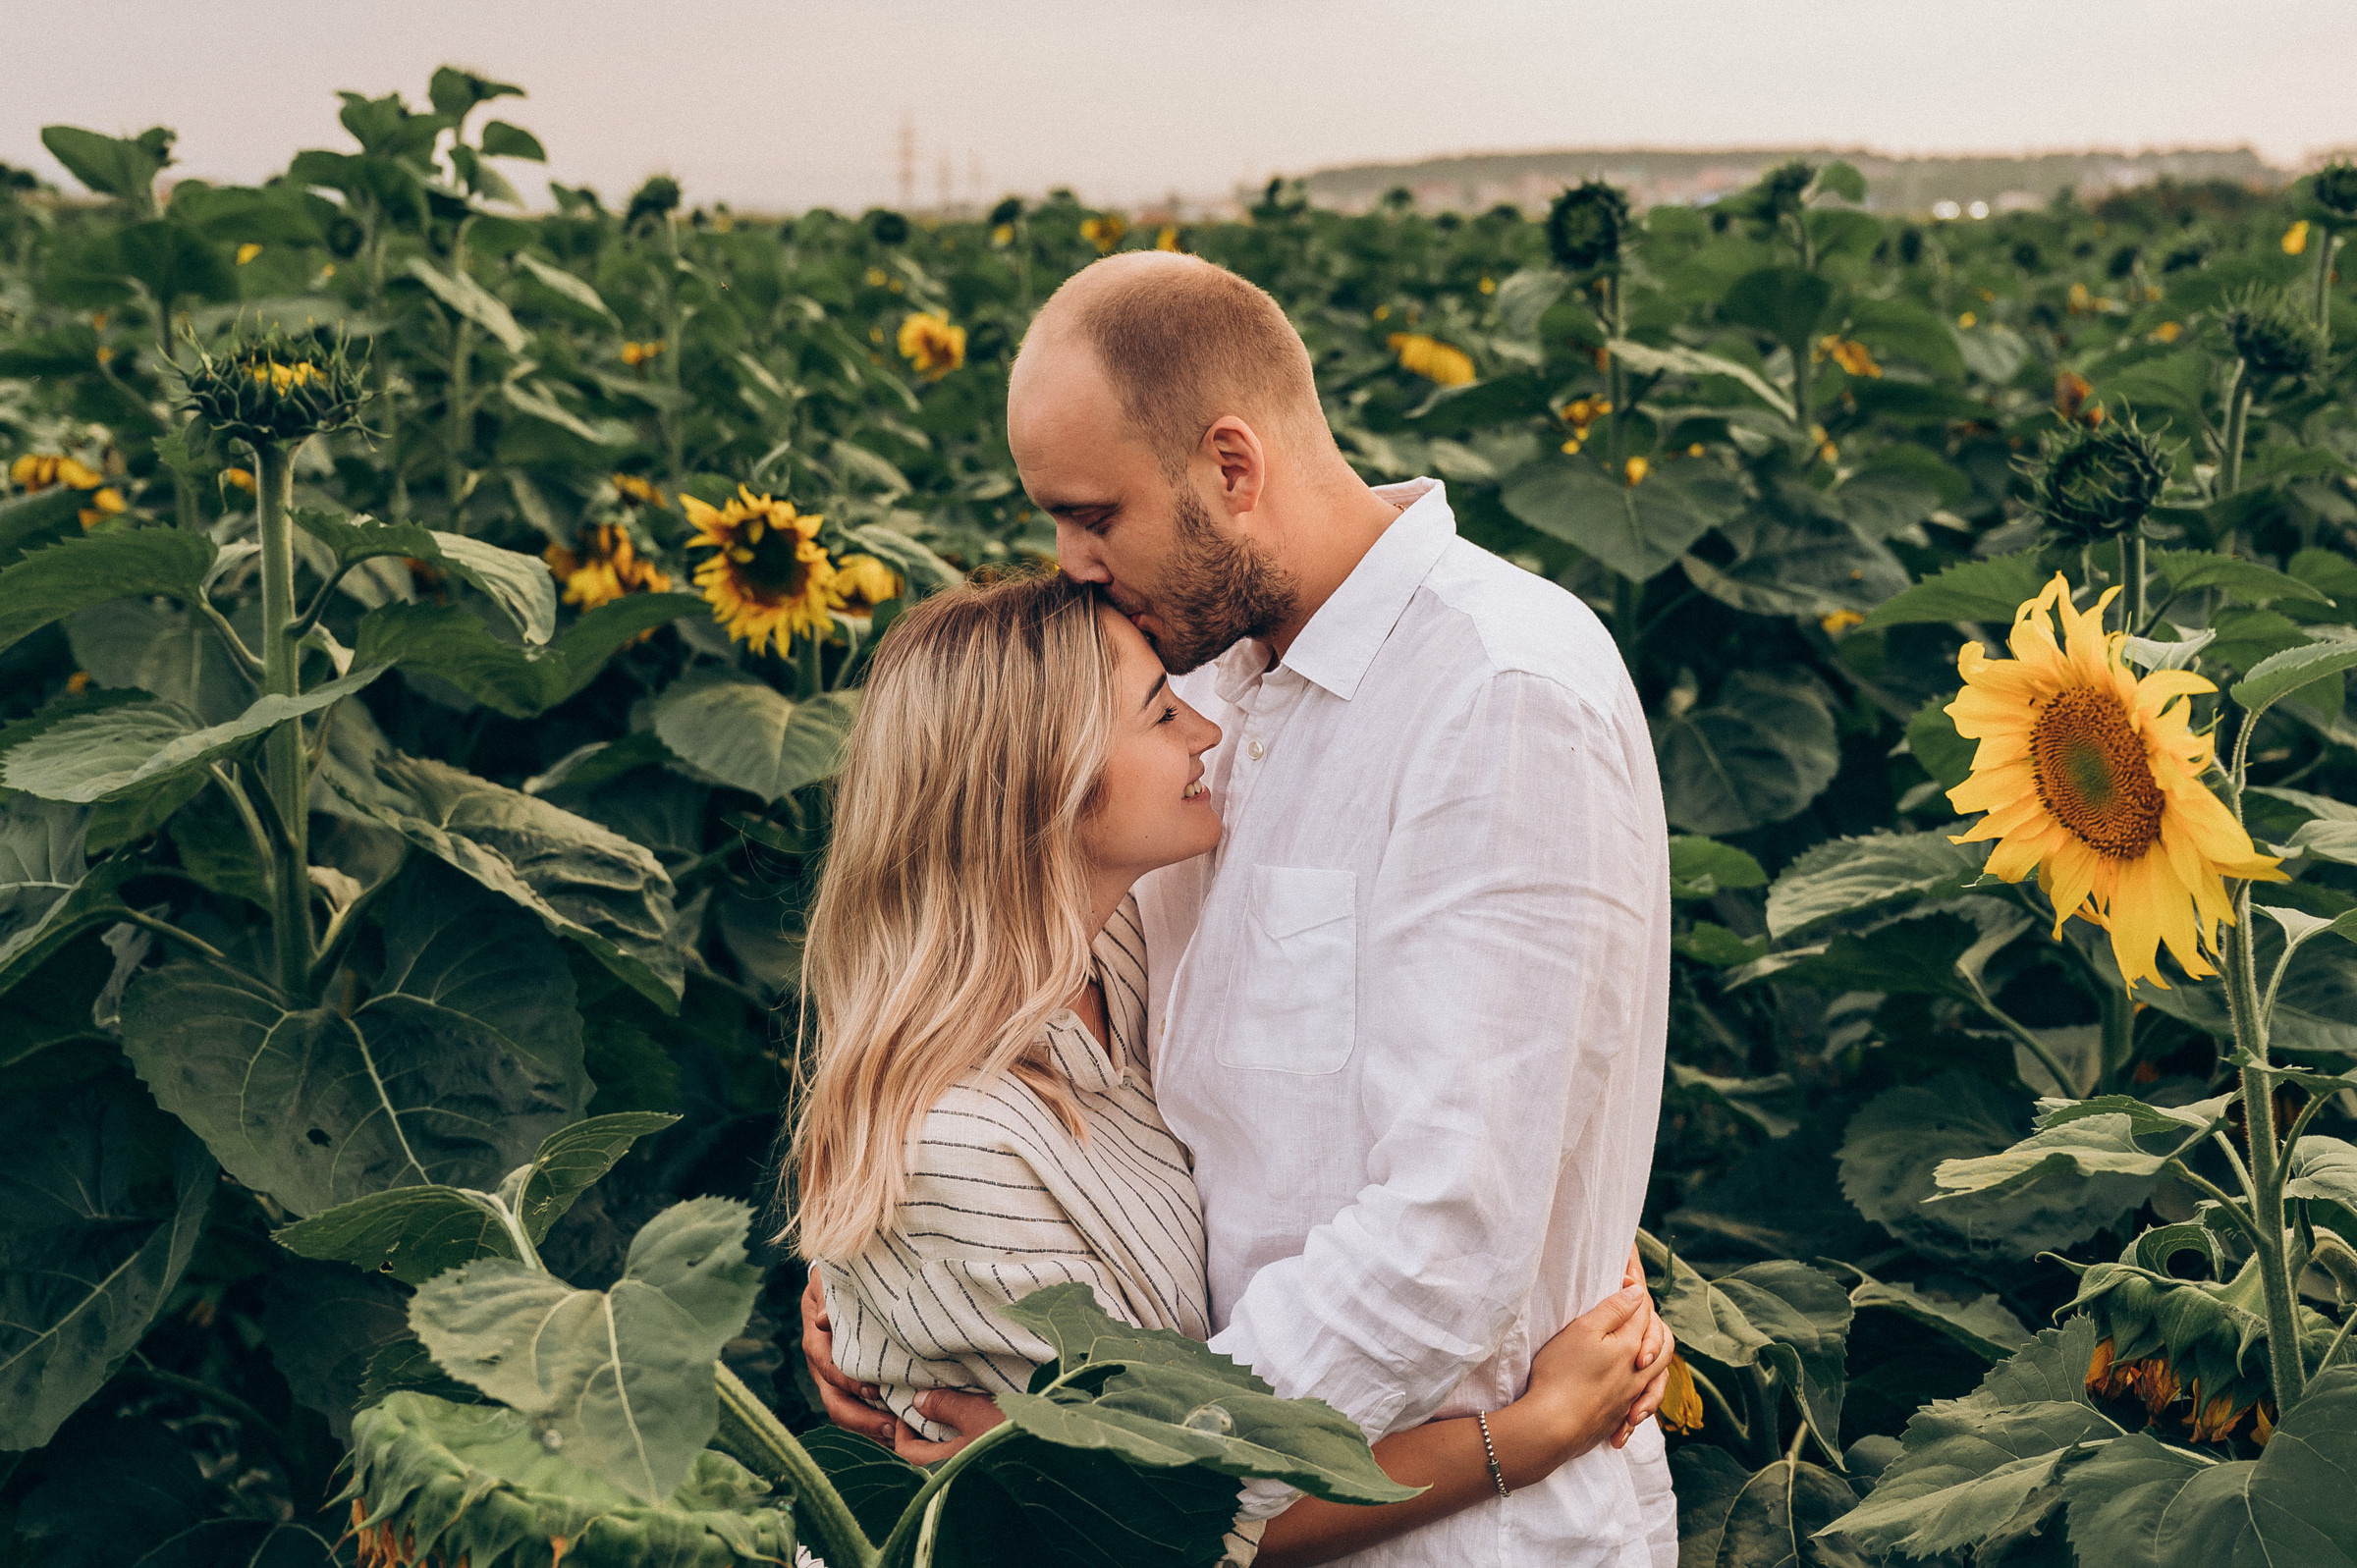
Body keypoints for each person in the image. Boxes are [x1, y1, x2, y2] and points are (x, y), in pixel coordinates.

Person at [808, 250, 1679, 1567]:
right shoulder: (1196, 689)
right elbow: (1004, 983)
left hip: (1447, 1537)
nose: (1072, 564)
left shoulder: (1498, 694)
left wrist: (1093, 1467)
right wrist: (896, 1286)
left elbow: (1449, 1235)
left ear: (1231, 465)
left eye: (1093, 513)